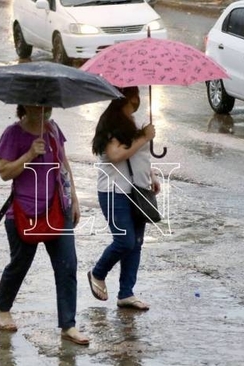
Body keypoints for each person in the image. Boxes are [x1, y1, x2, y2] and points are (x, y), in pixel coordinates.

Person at [0, 104, 89, 345]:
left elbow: (64, 165)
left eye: (47, 104)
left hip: (58, 210)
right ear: (26, 105)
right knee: (20, 263)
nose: (44, 109)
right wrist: (29, 154)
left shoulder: (54, 130)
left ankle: (68, 325)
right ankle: (2, 310)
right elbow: (5, 172)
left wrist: (74, 199)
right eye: (37, 103)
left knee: (68, 265)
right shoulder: (12, 134)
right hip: (24, 212)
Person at [88, 86, 160, 310]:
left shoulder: (131, 123)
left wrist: (152, 174)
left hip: (136, 191)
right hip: (113, 192)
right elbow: (116, 155)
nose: (137, 100)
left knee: (136, 244)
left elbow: (138, 156)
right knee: (124, 240)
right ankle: (97, 273)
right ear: (125, 98)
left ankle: (126, 293)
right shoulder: (111, 124)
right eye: (133, 96)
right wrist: (144, 137)